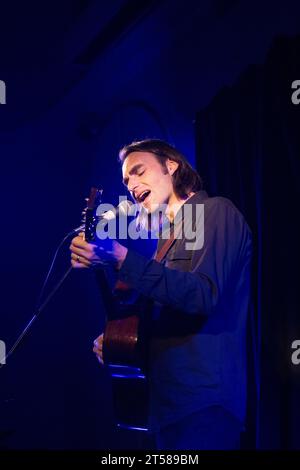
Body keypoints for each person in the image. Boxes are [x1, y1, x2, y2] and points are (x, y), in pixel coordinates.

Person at [70, 139, 252, 450]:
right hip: (164, 409)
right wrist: (117, 340)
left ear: (171, 165)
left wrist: (121, 258)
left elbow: (202, 295)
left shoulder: (215, 211)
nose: (131, 185)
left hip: (204, 404)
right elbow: (169, 313)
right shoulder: (165, 242)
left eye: (139, 171)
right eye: (126, 181)